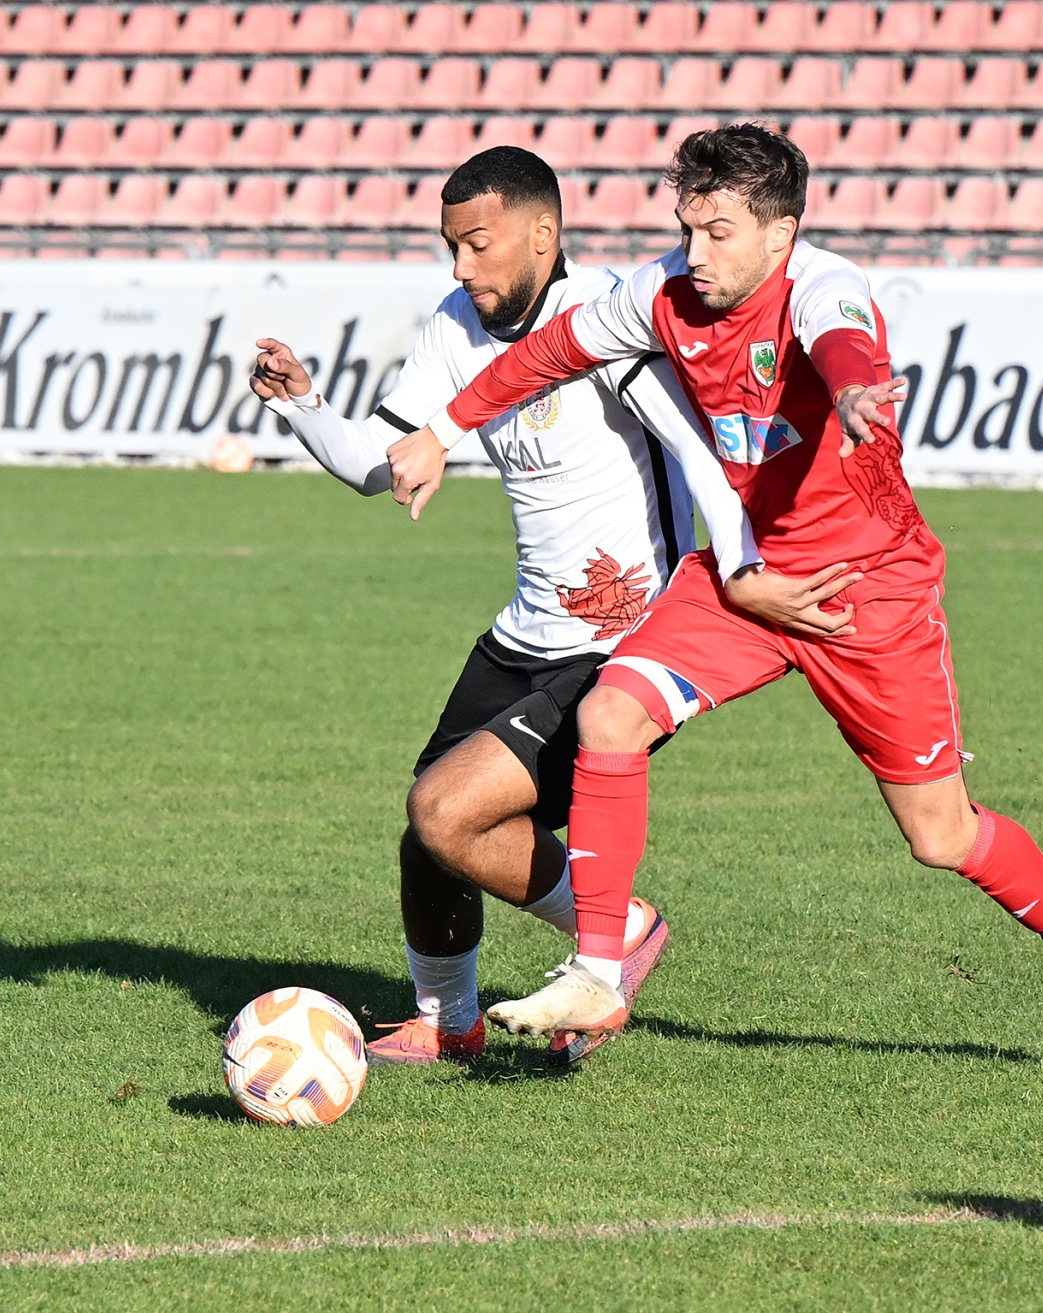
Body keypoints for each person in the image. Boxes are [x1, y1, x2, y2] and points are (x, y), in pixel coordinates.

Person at [383, 125, 1043, 1078]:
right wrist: (444, 430)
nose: (695, 253)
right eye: (687, 228)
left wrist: (856, 390)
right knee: (611, 712)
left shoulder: (824, 287)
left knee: (940, 834)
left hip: (861, 595)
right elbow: (548, 354)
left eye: (718, 234)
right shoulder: (663, 293)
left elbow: (843, 340)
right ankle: (598, 968)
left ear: (781, 234)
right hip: (745, 580)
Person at [249, 146, 780, 1067]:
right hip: (522, 635)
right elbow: (382, 463)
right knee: (428, 833)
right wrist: (305, 407)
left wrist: (743, 569)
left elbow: (701, 454)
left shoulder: (607, 318)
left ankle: (620, 929)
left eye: (478, 244)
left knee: (446, 811)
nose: (461, 267)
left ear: (543, 233)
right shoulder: (457, 324)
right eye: (450, 246)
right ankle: (448, 1023)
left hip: (617, 645)